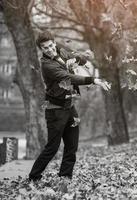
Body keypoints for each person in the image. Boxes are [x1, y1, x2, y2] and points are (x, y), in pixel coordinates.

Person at [28, 31, 110, 181]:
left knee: (72, 146)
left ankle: (65, 177)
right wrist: (94, 80)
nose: (50, 49)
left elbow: (76, 59)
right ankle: (33, 177)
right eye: (45, 48)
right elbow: (69, 78)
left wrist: (86, 57)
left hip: (70, 107)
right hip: (55, 110)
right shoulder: (47, 65)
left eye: (51, 45)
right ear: (41, 49)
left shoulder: (62, 52)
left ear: (54, 42)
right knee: (52, 148)